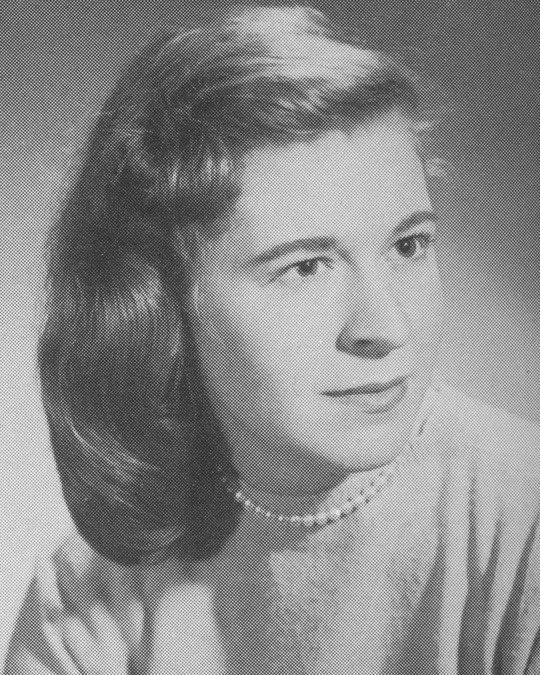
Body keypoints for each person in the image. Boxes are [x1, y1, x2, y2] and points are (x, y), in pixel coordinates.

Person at [4, 5, 540, 674]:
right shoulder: (87, 594)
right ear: (163, 304)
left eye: (408, 245)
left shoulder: (524, 519)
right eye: (305, 267)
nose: (386, 328)